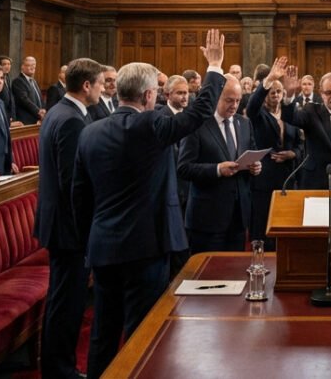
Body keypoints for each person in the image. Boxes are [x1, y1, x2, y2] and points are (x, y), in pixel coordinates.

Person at [73, 29, 228, 375]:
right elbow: (198, 114)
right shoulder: (151, 124)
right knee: (142, 330)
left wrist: (89, 241)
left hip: (103, 246)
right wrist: (215, 67)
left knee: (103, 330)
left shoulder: (89, 132)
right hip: (145, 247)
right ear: (147, 95)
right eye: (156, 93)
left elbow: (79, 196)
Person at [35, 58, 102, 379]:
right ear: (86, 85)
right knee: (67, 302)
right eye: (100, 84)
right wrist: (88, 227)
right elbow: (73, 182)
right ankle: (60, 370)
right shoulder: (72, 120)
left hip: (59, 223)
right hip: (68, 228)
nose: (102, 90)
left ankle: (57, 366)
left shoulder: (59, 112)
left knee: (63, 298)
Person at [177, 76, 262, 252]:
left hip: (238, 217)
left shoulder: (244, 123)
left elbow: (252, 152)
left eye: (238, 100)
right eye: (229, 100)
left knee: (236, 267)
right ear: (216, 96)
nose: (234, 105)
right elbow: (183, 168)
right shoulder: (197, 124)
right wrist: (217, 169)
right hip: (207, 217)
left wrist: (256, 166)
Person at [265, 59, 331, 189]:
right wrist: (290, 94)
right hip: (316, 182)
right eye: (328, 92)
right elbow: (291, 117)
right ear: (321, 93)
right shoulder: (311, 111)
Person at [245, 78, 302, 249]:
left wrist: (293, 153)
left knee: (285, 221)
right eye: (272, 92)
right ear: (265, 95)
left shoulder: (290, 114)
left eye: (279, 91)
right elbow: (251, 107)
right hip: (264, 177)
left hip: (288, 177)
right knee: (263, 222)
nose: (276, 95)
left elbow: (301, 144)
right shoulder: (258, 115)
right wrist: (266, 82)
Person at [11, 56, 47, 125]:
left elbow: (40, 99)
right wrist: (39, 111)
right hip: (26, 121)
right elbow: (24, 100)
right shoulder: (18, 81)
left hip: (37, 119)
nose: (32, 67)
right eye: (29, 65)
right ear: (22, 67)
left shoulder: (34, 81)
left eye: (34, 65)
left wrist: (43, 110)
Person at [0, 55, 19, 124]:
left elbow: (11, 98)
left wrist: (12, 116)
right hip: (0, 114)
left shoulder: (8, 78)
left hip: (10, 115)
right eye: (4, 64)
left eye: (9, 64)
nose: (7, 66)